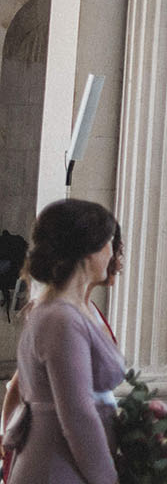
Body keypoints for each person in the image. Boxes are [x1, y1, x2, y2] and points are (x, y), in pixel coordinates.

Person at [4, 199, 126, 484]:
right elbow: (78, 415)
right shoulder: (61, 318)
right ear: (87, 251)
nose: (112, 254)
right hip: (57, 468)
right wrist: (108, 480)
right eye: (108, 243)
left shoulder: (69, 312)